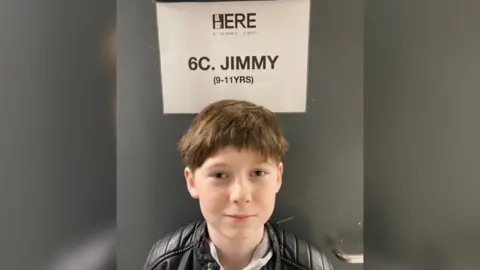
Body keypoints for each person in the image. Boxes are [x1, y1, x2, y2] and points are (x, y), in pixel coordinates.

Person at [143, 99, 333, 270]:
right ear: (192, 182)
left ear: (277, 178)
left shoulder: (312, 266)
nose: (241, 195)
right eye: (219, 175)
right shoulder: (166, 263)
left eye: (258, 173)